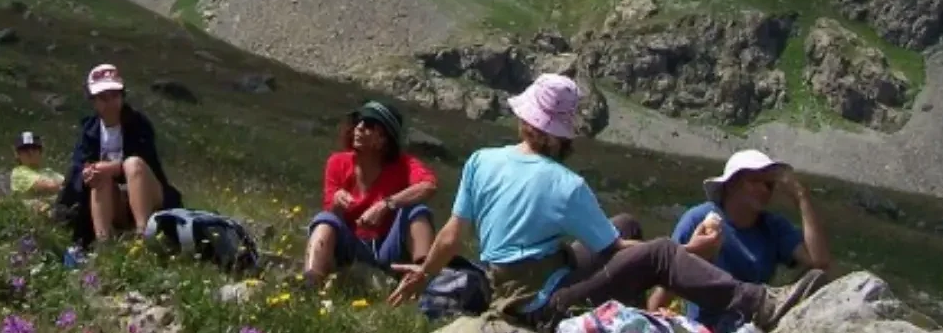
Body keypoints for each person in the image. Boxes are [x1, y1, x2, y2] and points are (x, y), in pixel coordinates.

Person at [386, 74, 824, 332]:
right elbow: (613, 253)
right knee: (659, 252)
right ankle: (761, 303)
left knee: (627, 223)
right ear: (560, 132)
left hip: (505, 284)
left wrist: (424, 275)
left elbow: (450, 235)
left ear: (525, 121)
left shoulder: (482, 160)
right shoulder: (566, 184)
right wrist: (686, 254)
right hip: (540, 306)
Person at [653, 150, 832, 330]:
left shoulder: (774, 226)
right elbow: (668, 281)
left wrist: (801, 197)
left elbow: (819, 262)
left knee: (815, 277)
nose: (764, 190)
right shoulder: (698, 220)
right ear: (731, 185)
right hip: (705, 326)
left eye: (769, 185)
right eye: (755, 182)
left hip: (753, 323)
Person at [304, 100, 438, 282]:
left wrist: (387, 204)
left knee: (416, 211)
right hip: (351, 245)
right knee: (324, 220)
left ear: (383, 139)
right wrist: (336, 201)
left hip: (388, 247)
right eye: (357, 122)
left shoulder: (404, 165)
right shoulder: (337, 162)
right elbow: (331, 214)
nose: (358, 128)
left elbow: (428, 186)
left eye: (368, 125)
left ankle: (423, 275)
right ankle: (311, 280)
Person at [57, 63, 182, 246]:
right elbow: (77, 166)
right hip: (113, 200)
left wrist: (113, 168)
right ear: (93, 101)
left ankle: (143, 235)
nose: (110, 103)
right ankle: (104, 243)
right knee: (98, 176)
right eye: (103, 97)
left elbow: (148, 162)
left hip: (149, 194)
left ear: (122, 96)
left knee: (133, 164)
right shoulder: (89, 130)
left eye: (114, 96)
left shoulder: (139, 124)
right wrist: (87, 174)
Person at [9, 130, 64, 199]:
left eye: (34, 148)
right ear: (17, 154)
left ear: (41, 152)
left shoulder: (48, 172)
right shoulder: (18, 173)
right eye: (25, 149)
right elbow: (50, 186)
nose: (30, 152)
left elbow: (67, 182)